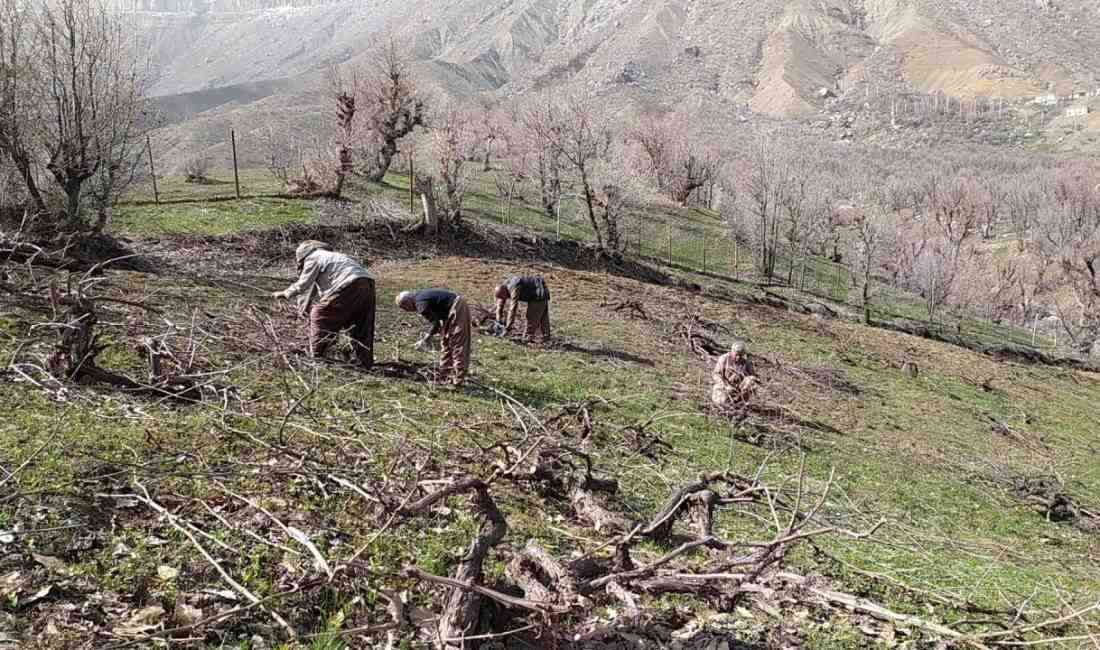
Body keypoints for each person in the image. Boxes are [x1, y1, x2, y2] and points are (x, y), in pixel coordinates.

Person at [272, 240, 375, 368]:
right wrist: (303, 308)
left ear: (303, 257)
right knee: (360, 323)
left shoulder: (313, 257)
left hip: (347, 284)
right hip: (367, 283)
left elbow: (304, 284)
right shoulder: (334, 257)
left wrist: (285, 293)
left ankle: (316, 358)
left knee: (320, 314)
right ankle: (364, 362)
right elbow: (311, 290)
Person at [396, 288, 472, 385]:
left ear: (407, 302)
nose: (408, 311)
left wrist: (425, 339)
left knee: (457, 343)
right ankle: (445, 376)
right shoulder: (420, 297)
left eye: (405, 308)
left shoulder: (420, 304)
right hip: (448, 313)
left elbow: (435, 324)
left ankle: (458, 379)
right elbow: (437, 322)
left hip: (457, 307)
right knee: (446, 343)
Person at [494, 275, 551, 342]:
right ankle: (546, 339)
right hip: (541, 292)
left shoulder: (514, 287)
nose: (503, 299)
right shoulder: (503, 288)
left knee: (531, 317)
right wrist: (498, 321)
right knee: (543, 318)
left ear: (504, 291)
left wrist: (508, 327)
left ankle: (526, 339)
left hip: (538, 294)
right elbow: (499, 305)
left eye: (503, 296)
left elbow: (513, 307)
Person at [711, 340, 758, 408]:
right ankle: (729, 402)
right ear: (732, 352)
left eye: (741, 355)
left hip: (739, 388)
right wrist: (725, 386)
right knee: (722, 402)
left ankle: (742, 402)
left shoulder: (747, 362)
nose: (738, 357)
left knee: (751, 380)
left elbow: (753, 376)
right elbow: (716, 374)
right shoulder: (724, 359)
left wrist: (746, 387)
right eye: (736, 355)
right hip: (724, 387)